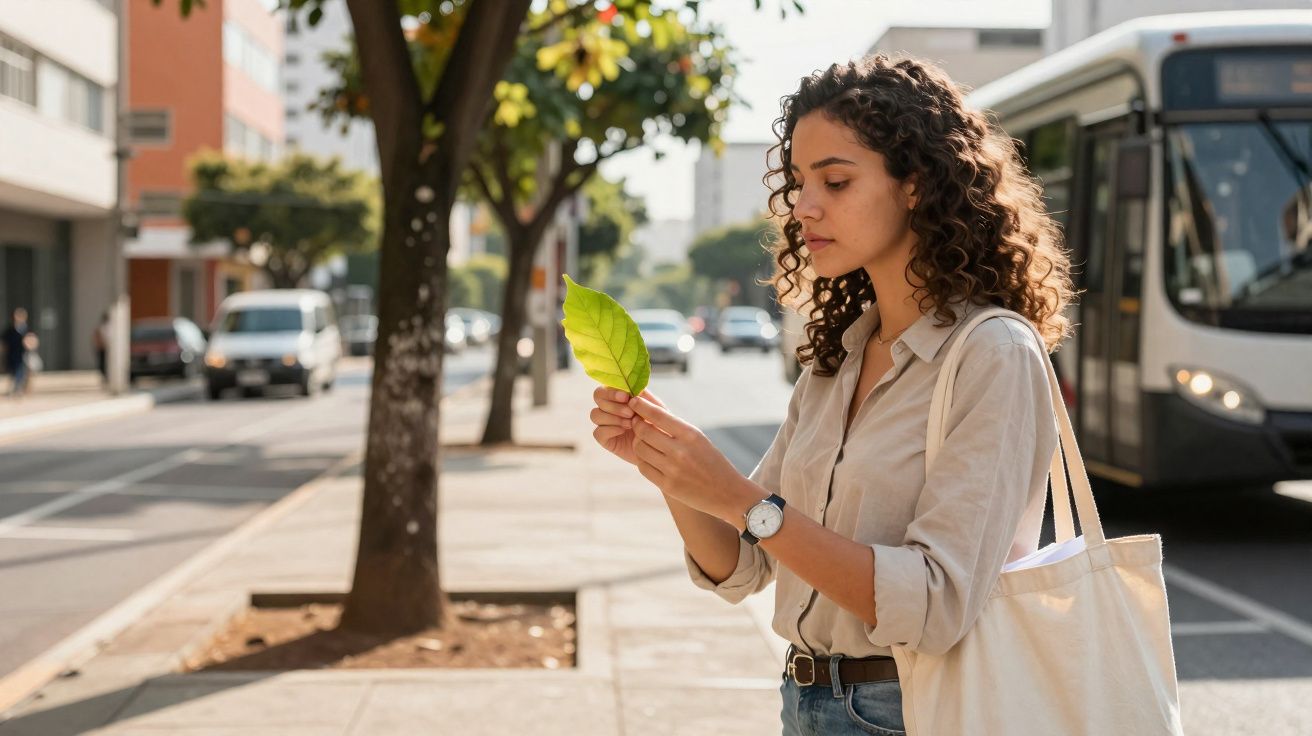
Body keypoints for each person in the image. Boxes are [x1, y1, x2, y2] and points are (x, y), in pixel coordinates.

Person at [588, 54, 1074, 735]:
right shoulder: (837, 357)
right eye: (797, 183)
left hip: (915, 711)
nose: (804, 207)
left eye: (836, 181)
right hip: (806, 700)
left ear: (916, 185)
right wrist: (670, 465)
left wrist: (737, 497)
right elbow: (745, 563)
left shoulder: (993, 355)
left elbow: (935, 606)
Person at [3, 308, 33, 398]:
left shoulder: (26, 329)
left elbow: (32, 340)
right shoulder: (9, 330)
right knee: (13, 372)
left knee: (20, 371)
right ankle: (17, 388)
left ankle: (18, 389)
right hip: (12, 355)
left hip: (23, 355)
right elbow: (4, 343)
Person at [93, 311, 109, 384]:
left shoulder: (109, 327)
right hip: (101, 348)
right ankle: (104, 376)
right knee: (102, 363)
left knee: (106, 363)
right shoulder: (100, 327)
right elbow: (96, 337)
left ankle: (107, 376)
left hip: (107, 349)